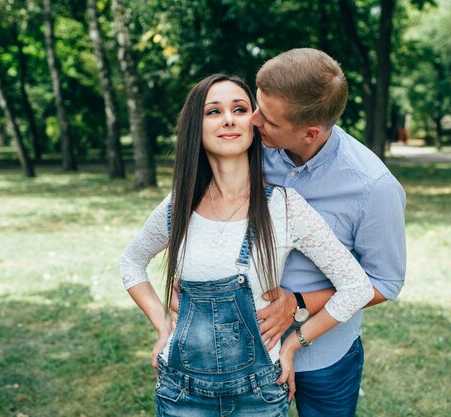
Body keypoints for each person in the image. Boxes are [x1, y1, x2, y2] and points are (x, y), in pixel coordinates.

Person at [120, 73, 374, 417]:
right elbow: (131, 264)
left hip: (260, 396)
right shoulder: (177, 207)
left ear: (254, 123)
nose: (228, 119)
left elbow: (356, 286)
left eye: (239, 109)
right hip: (182, 395)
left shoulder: (284, 207)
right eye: (213, 111)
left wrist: (293, 345)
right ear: (197, 125)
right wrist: (164, 326)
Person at [250, 48, 407, 417]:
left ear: (310, 132)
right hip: (249, 348)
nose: (253, 121)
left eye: (269, 120)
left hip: (326, 357)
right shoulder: (253, 149)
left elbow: (385, 282)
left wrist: (299, 304)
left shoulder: (373, 187)